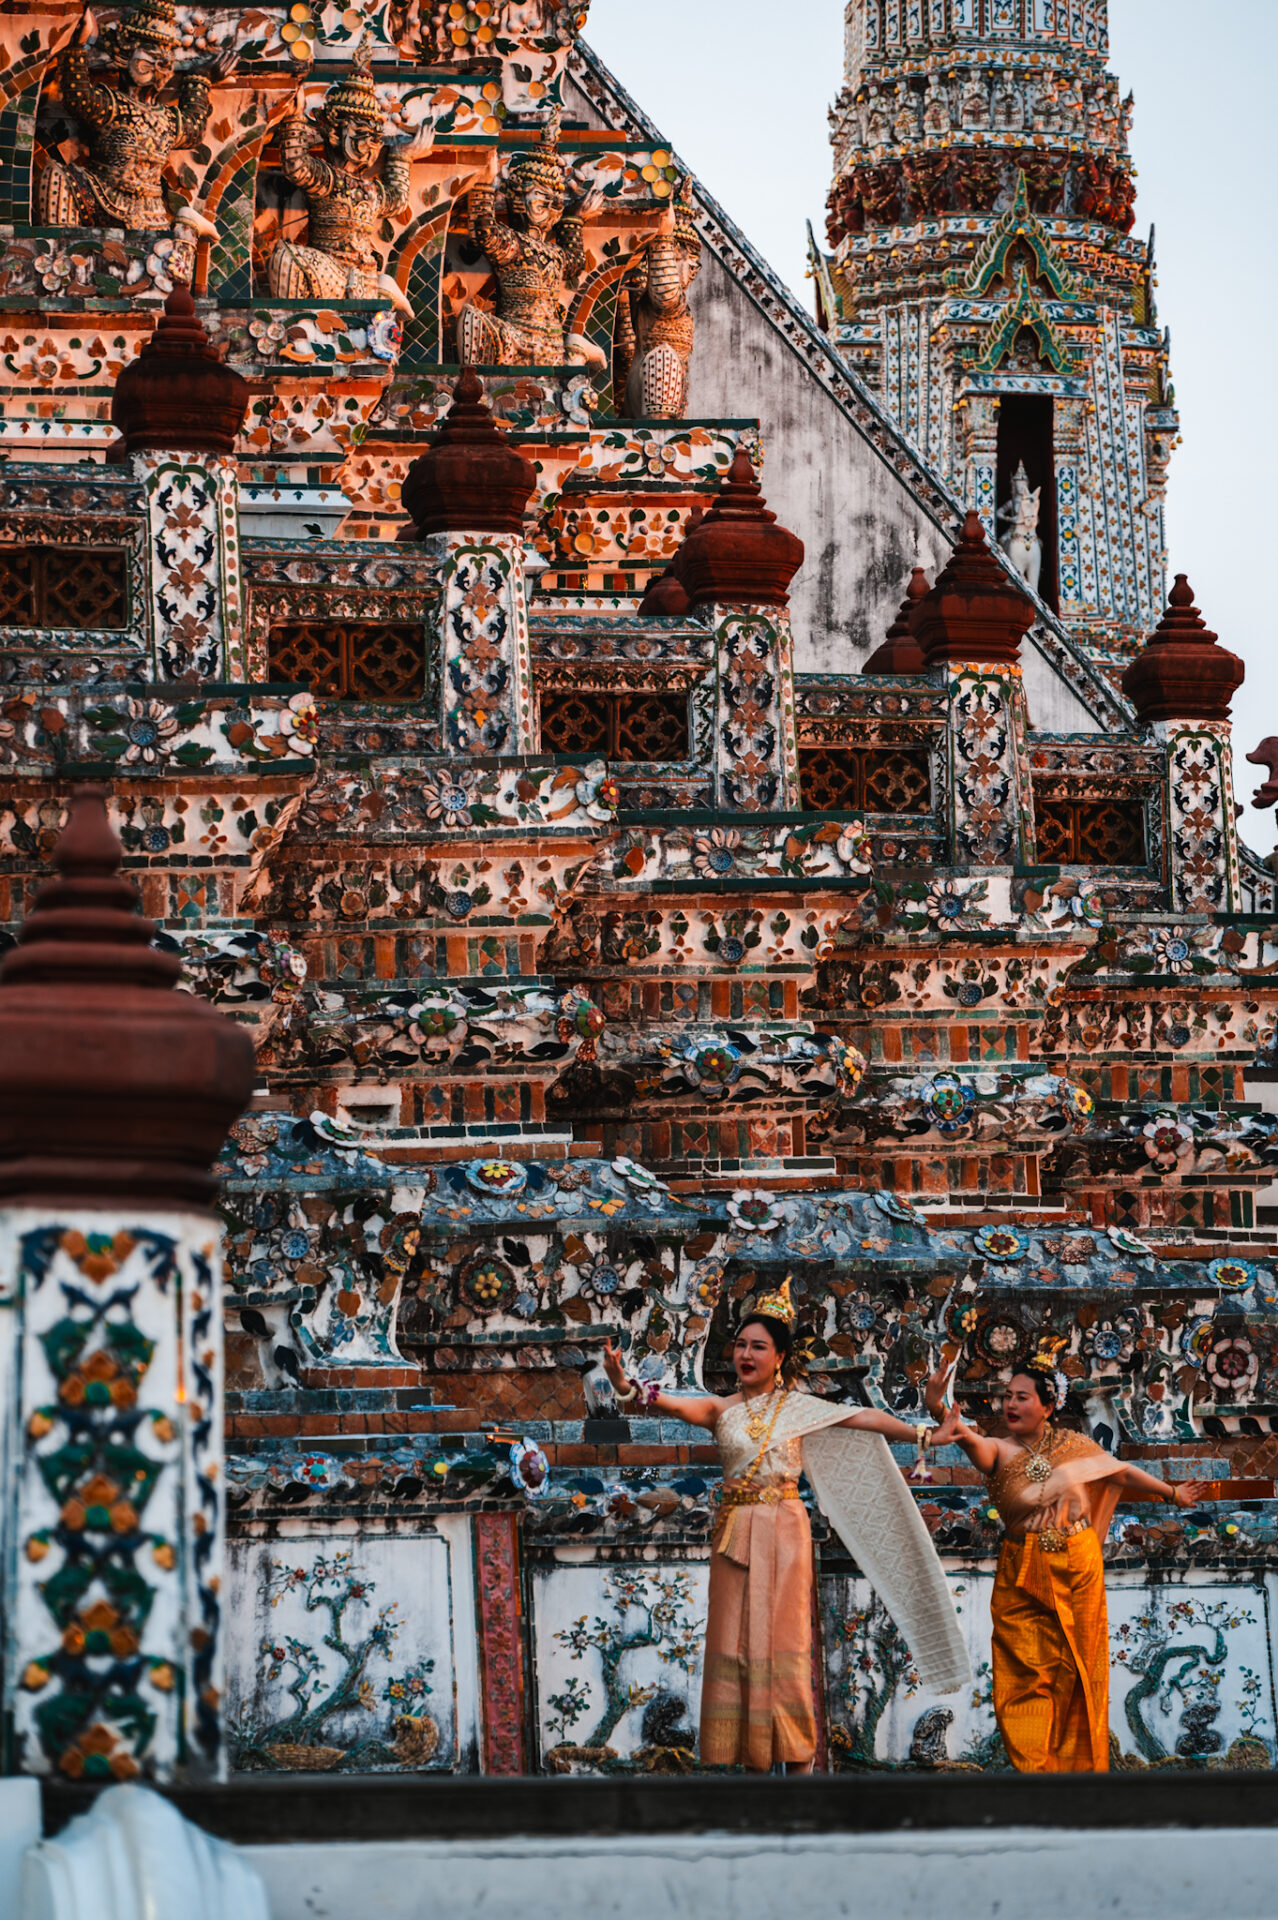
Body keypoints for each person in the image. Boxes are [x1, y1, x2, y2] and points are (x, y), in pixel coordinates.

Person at [602, 1278, 970, 1773]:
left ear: (780, 1357)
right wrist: (625, 1386)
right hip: (735, 1534)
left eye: (759, 1346)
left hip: (786, 1530)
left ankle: (799, 1763)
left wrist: (928, 1434)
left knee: (786, 1643)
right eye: (740, 1345)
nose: (746, 1354)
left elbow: (863, 1418)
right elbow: (666, 1402)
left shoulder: (800, 1408)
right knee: (735, 1642)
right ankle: (749, 1762)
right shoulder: (719, 1409)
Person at [930, 1360, 1212, 1773]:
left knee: (1077, 1673)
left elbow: (1121, 1471)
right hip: (1021, 1572)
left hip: (1077, 1566)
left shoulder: (1075, 1446)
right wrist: (939, 1406)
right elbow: (964, 1435)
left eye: (1021, 1397)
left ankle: (1077, 1780)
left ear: (1047, 1406)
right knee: (1025, 1677)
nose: (1010, 1404)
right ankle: (1035, 1775)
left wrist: (1173, 1494)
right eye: (1007, 1396)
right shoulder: (998, 1449)